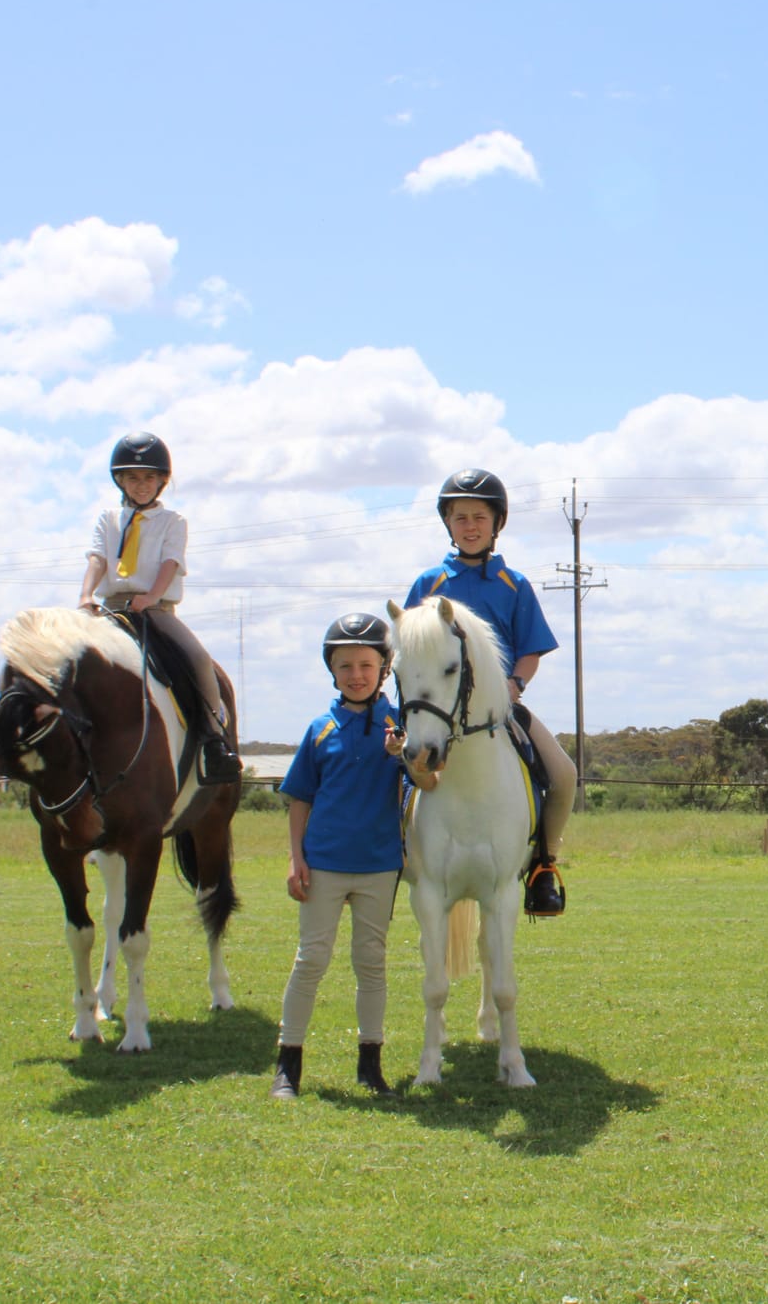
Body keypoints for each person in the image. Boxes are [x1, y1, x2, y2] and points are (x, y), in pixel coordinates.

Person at [403, 469, 575, 916]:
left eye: (479, 517)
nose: (470, 526)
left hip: (501, 710)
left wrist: (515, 685)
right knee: (394, 770)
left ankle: (543, 866)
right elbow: (410, 647)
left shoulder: (514, 585)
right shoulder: (428, 585)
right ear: (448, 523)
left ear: (496, 523)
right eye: (460, 517)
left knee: (564, 775)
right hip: (437, 711)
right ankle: (387, 859)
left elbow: (531, 650)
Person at [271, 613, 409, 1099]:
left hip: (379, 865)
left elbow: (429, 782)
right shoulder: (320, 729)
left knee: (371, 963)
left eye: (366, 665)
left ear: (384, 669)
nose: (356, 675)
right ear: (331, 670)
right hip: (324, 864)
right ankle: (287, 1066)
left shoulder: (401, 727)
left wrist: (403, 756)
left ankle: (370, 1067)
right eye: (345, 665)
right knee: (311, 959)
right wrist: (296, 858)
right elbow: (300, 799)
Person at [76, 432, 242, 784]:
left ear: (162, 481)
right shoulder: (108, 519)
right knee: (69, 657)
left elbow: (170, 562)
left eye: (149, 478)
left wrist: (151, 597)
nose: (141, 485)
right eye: (133, 478)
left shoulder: (173, 521)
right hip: (111, 606)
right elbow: (97, 558)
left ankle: (214, 739)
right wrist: (86, 596)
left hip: (155, 609)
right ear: (120, 481)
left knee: (197, 659)